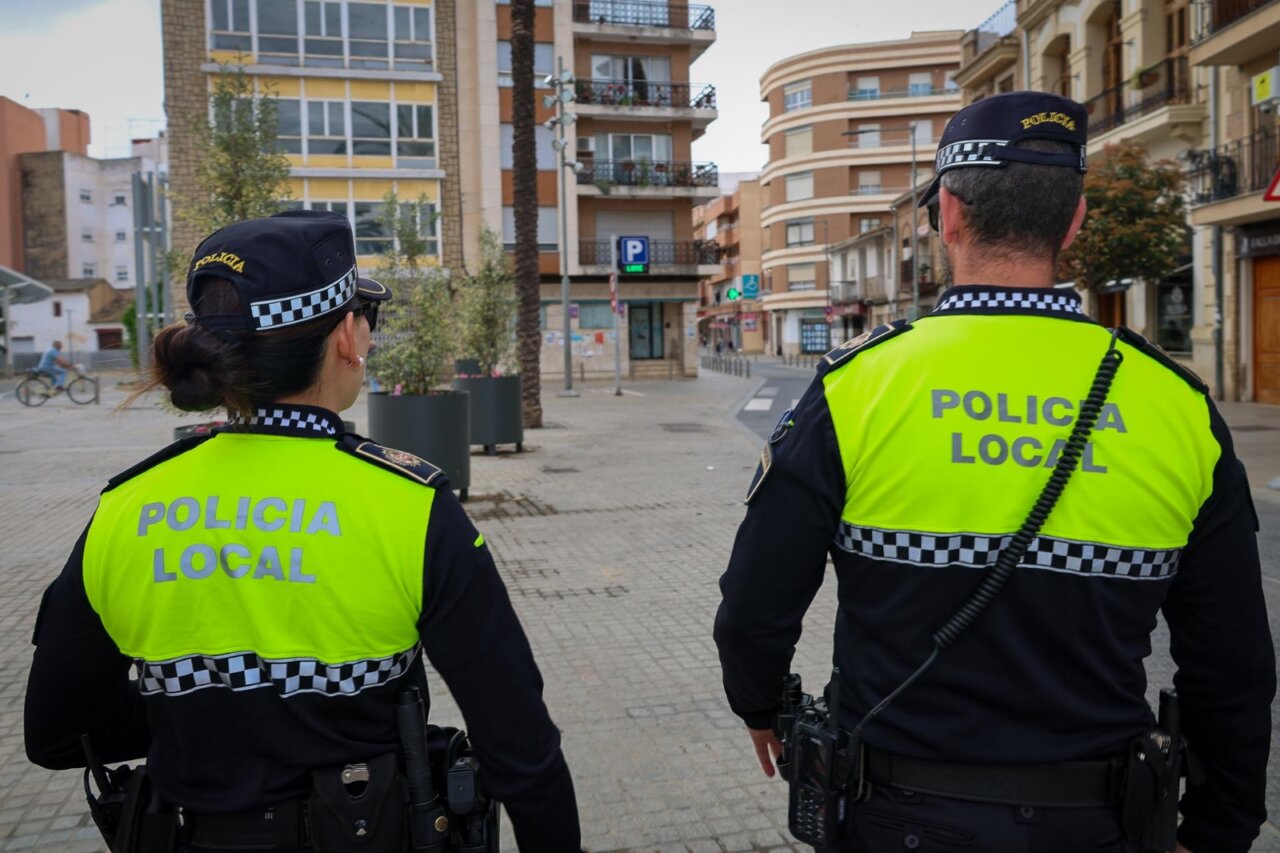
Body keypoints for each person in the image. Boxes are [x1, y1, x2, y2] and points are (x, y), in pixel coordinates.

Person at [714, 91, 1274, 853]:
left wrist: (762, 705)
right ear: (1073, 221)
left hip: (892, 817)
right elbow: (1234, 665)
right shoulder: (1176, 406)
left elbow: (755, 604)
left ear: (948, 213)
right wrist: (1217, 832)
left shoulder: (858, 388)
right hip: (1100, 821)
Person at [25, 210, 582, 851]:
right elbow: (520, 747)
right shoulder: (409, 504)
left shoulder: (127, 505)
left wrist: (199, 713)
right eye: (368, 318)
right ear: (347, 335)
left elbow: (56, 732)